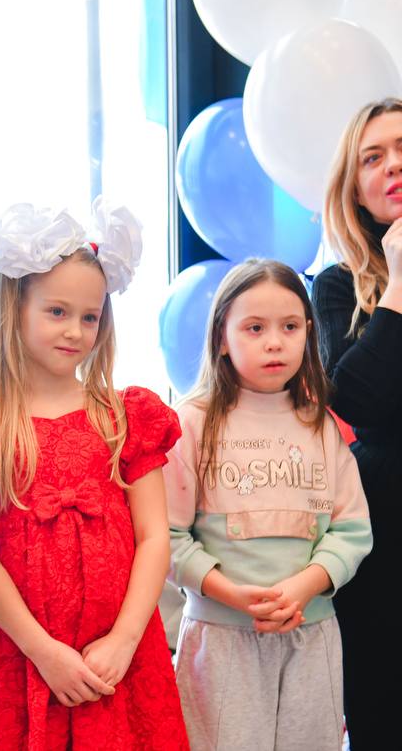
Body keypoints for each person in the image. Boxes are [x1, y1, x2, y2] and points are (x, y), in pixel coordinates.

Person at [0, 202, 188, 750]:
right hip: (16, 656)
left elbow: (154, 537)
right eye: (57, 311)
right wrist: (44, 653)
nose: (75, 331)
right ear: (15, 309)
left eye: (90, 317)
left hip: (117, 658)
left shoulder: (125, 418)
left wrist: (124, 640)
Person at [166, 258, 370, 750]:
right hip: (220, 638)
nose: (275, 342)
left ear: (308, 333)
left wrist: (305, 586)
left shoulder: (319, 423)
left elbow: (352, 530)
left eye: (290, 326)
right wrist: (232, 594)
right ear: (222, 337)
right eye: (255, 328)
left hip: (311, 636)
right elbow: (167, 537)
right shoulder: (190, 423)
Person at [312, 97, 402, 750]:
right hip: (383, 527)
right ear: (354, 188)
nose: (393, 165)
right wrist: (399, 278)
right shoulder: (338, 286)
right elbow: (359, 401)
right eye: (374, 157)